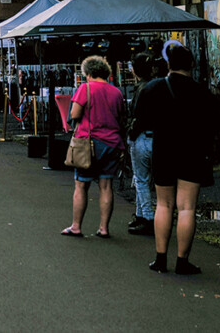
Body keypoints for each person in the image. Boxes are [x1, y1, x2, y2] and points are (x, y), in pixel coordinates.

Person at [145, 44, 218, 275]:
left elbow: (142, 118)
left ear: (169, 64)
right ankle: (182, 261)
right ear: (192, 65)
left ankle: (160, 259)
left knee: (163, 205)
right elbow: (213, 126)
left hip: (163, 151)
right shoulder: (202, 91)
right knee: (186, 208)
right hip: (192, 153)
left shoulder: (154, 88)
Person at [61, 55, 126, 238]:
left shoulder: (85, 88)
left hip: (88, 143)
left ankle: (76, 226)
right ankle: (104, 228)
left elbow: (74, 114)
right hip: (112, 143)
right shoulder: (117, 92)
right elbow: (121, 118)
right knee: (106, 185)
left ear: (88, 74)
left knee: (81, 185)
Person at [125, 53, 156, 236]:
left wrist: (131, 134)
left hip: (142, 137)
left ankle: (147, 217)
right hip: (157, 137)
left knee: (141, 179)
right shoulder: (159, 85)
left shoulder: (141, 89)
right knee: (148, 179)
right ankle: (140, 214)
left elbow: (137, 116)